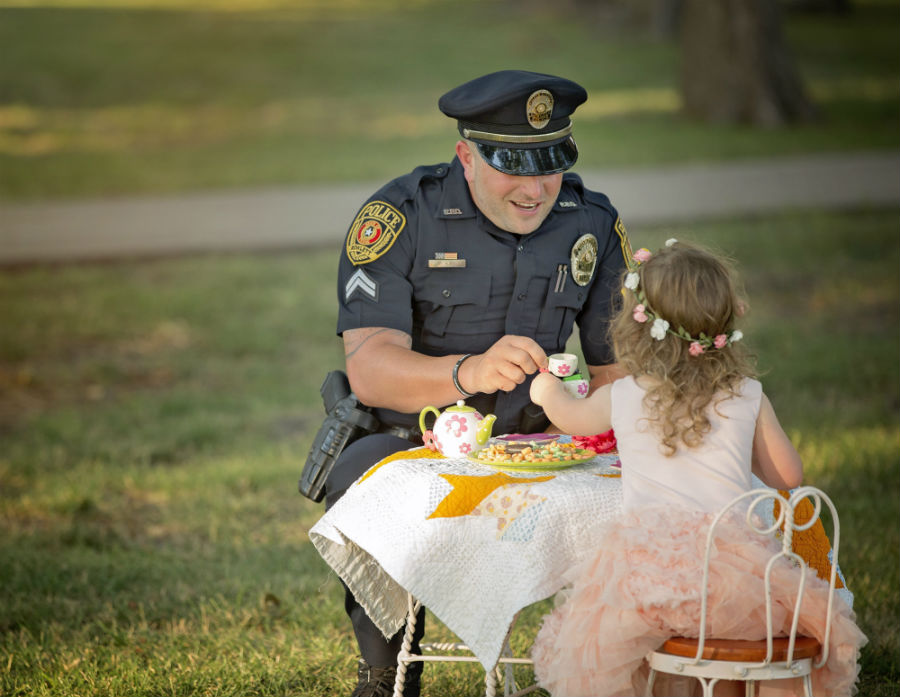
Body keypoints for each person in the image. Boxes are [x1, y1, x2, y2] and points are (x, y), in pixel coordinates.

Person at [321, 70, 633, 697]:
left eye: (551, 163)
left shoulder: (591, 222)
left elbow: (616, 372)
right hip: (413, 436)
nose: (535, 187)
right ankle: (386, 676)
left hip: (543, 436)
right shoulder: (401, 216)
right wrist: (466, 372)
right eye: (512, 164)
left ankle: (616, 665)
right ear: (466, 154)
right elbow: (371, 366)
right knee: (357, 477)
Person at [528, 240, 867, 697]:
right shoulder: (746, 394)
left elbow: (572, 419)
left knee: (639, 647)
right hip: (735, 575)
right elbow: (788, 478)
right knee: (730, 634)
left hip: (649, 575)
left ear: (637, 324)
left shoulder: (627, 394)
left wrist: (548, 391)